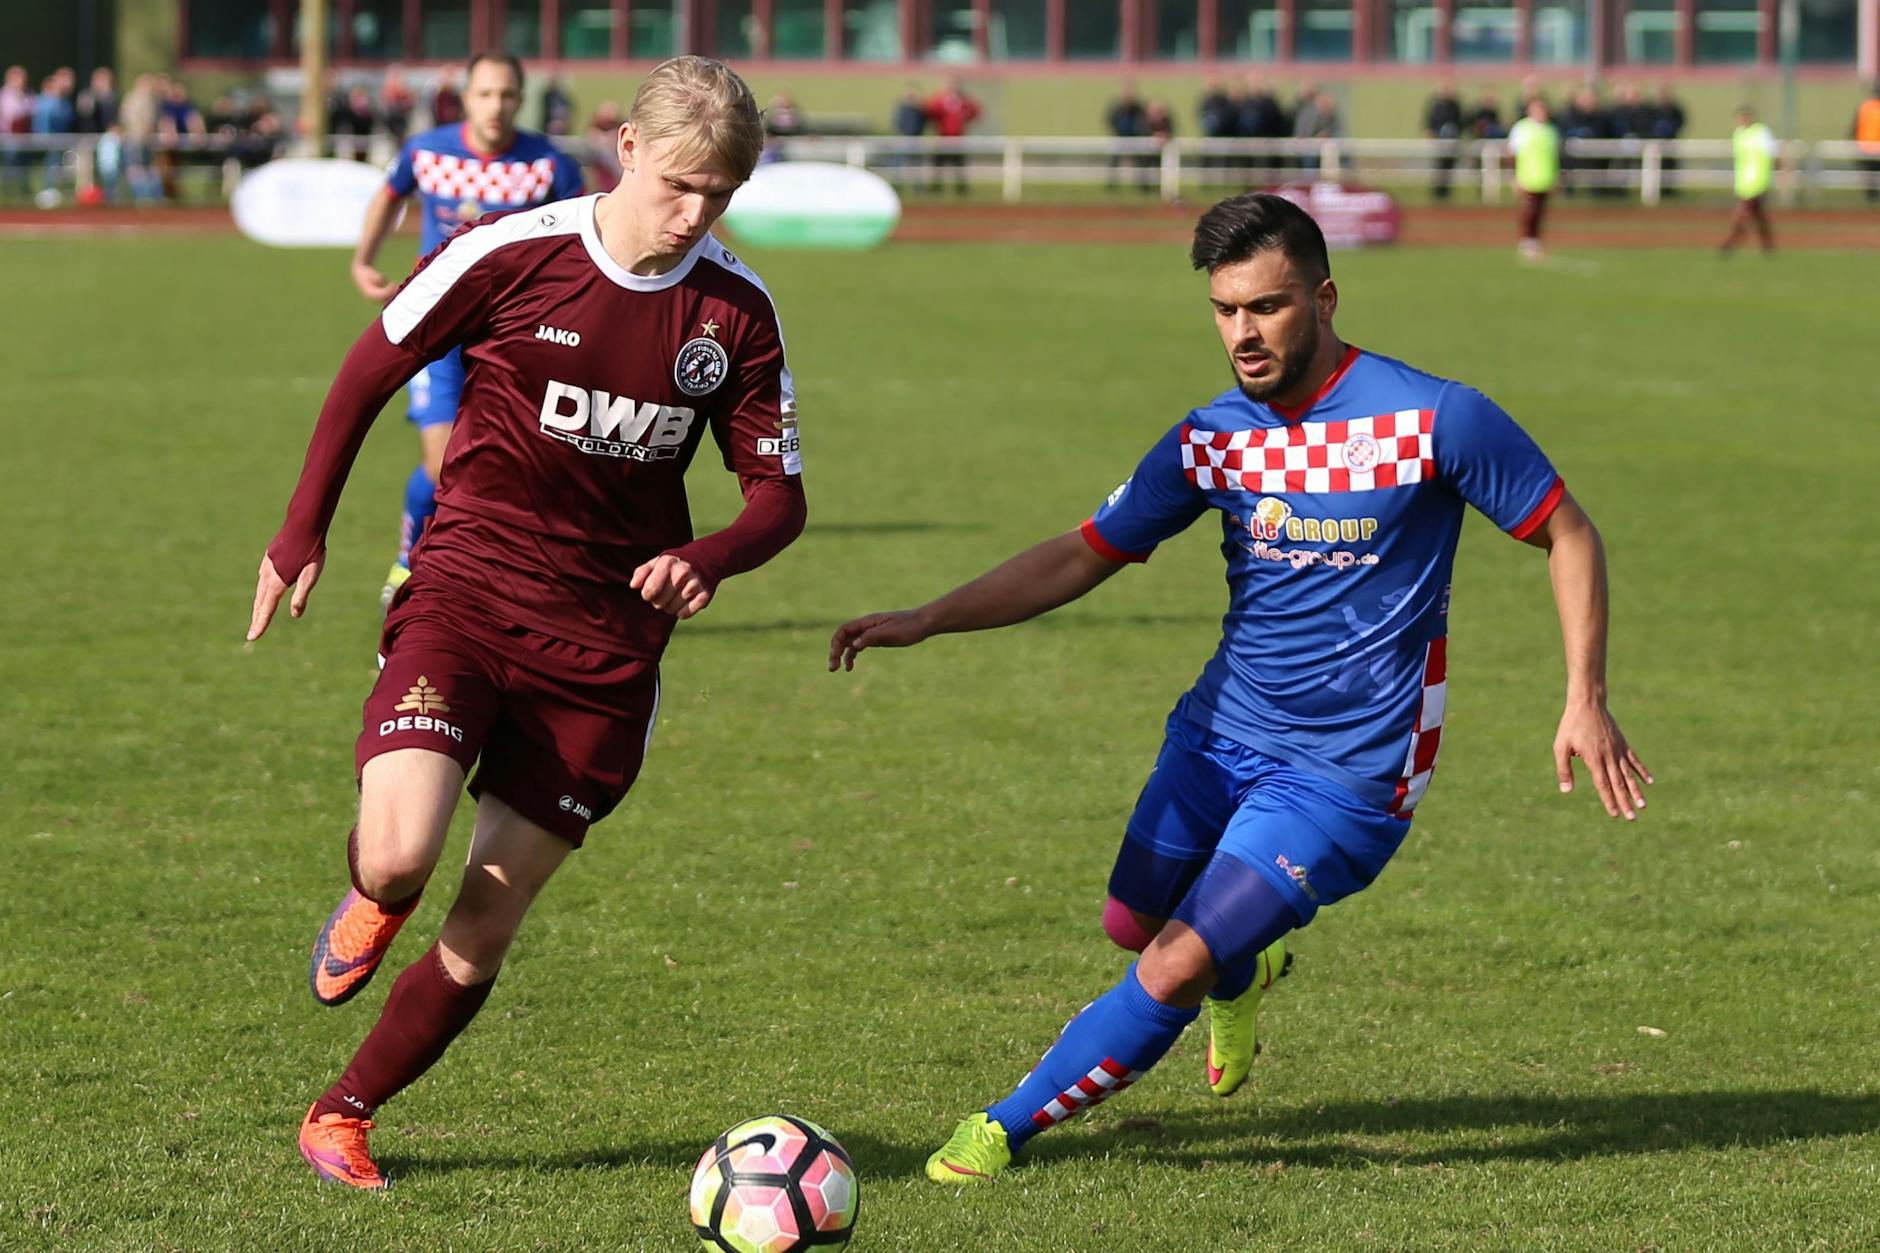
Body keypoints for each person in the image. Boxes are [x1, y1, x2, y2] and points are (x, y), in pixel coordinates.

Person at [828, 191, 1651, 1185]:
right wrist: (928, 616)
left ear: (1323, 296)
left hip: (1346, 774)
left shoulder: (1430, 417)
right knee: (1130, 922)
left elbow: (1566, 528)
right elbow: (1082, 554)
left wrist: (1583, 693)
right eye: (1223, 310)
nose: (1241, 332)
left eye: (1264, 306)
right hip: (1216, 735)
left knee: (1167, 960)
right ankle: (1247, 968)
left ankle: (998, 1127)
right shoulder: (1209, 439)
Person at [254, 54, 804, 1191]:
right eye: (683, 184)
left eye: (723, 195)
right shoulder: (516, 250)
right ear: (630, 150)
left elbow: (778, 495)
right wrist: (302, 528)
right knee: (403, 853)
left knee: (485, 923)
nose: (696, 213)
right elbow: (372, 365)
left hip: (603, 649)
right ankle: (371, 890)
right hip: (465, 592)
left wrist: (710, 555)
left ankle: (343, 1111)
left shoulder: (737, 313)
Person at [347, 52, 585, 611]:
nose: (496, 106)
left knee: (516, 464)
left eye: (507, 95)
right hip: (439, 331)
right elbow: (389, 196)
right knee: (441, 464)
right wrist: (364, 259)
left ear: (519, 98)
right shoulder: (427, 151)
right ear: (466, 98)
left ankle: (502, 578)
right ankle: (409, 564)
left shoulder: (549, 164)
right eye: (485, 94)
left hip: (515, 336)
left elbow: (580, 237)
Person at [1719, 105, 1777, 255]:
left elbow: (1772, 154)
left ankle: (1731, 241)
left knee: (1743, 213)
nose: (1742, 120)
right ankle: (1767, 244)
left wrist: (1780, 172)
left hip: (1758, 180)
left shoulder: (1761, 132)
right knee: (1759, 216)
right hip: (1744, 182)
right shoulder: (1738, 134)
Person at [1507, 97, 1560, 259]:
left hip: (1545, 178)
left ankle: (1535, 241)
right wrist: (1514, 177)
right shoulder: (1521, 129)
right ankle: (1526, 241)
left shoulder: (1551, 130)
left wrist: (1555, 177)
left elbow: (1554, 156)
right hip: (1527, 177)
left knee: (1540, 212)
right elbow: (1512, 154)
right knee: (1529, 211)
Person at [925, 75, 980, 195]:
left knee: (959, 164)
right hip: (943, 136)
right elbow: (930, 111)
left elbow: (975, 111)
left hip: (958, 137)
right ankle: (936, 188)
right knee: (938, 163)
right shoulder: (939, 99)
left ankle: (961, 189)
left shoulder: (964, 100)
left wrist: (967, 115)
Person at [1425, 79, 1463, 202]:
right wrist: (1430, 132)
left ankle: (1446, 192)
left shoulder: (1455, 105)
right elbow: (1429, 121)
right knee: (1439, 165)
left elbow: (1460, 121)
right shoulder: (1435, 105)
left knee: (1449, 165)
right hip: (1439, 141)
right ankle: (1438, 192)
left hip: (1452, 141)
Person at [1850, 83, 1880, 203]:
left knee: (1870, 173)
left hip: (1864, 148)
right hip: (1875, 148)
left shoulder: (1865, 106)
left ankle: (1871, 196)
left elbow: (1854, 128)